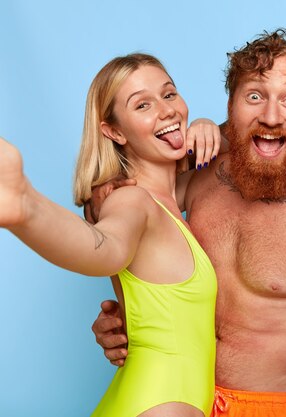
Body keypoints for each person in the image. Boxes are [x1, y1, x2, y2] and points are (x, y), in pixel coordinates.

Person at [92, 30, 286, 416]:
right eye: (254, 96)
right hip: (180, 399)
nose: (271, 116)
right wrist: (128, 320)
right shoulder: (201, 177)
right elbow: (121, 213)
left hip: (274, 407)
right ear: (230, 105)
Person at [0, 54, 220, 416]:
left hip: (152, 397)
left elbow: (246, 157)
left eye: (169, 95)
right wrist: (27, 207)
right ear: (114, 132)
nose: (166, 111)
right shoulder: (132, 200)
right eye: (143, 105)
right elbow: (105, 247)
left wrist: (213, 128)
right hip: (159, 404)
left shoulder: (171, 199)